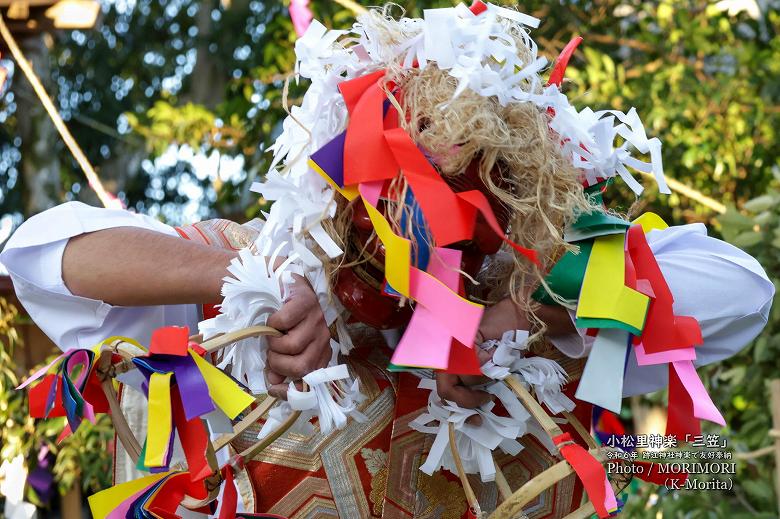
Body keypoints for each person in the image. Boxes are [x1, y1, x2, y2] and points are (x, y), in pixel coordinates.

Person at [1, 2, 774, 518]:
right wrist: (245, 284)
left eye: (463, 233)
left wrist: (526, 310)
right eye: (400, 218)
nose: (425, 269)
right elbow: (38, 252)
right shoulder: (245, 281)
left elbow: (742, 292)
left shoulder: (553, 335)